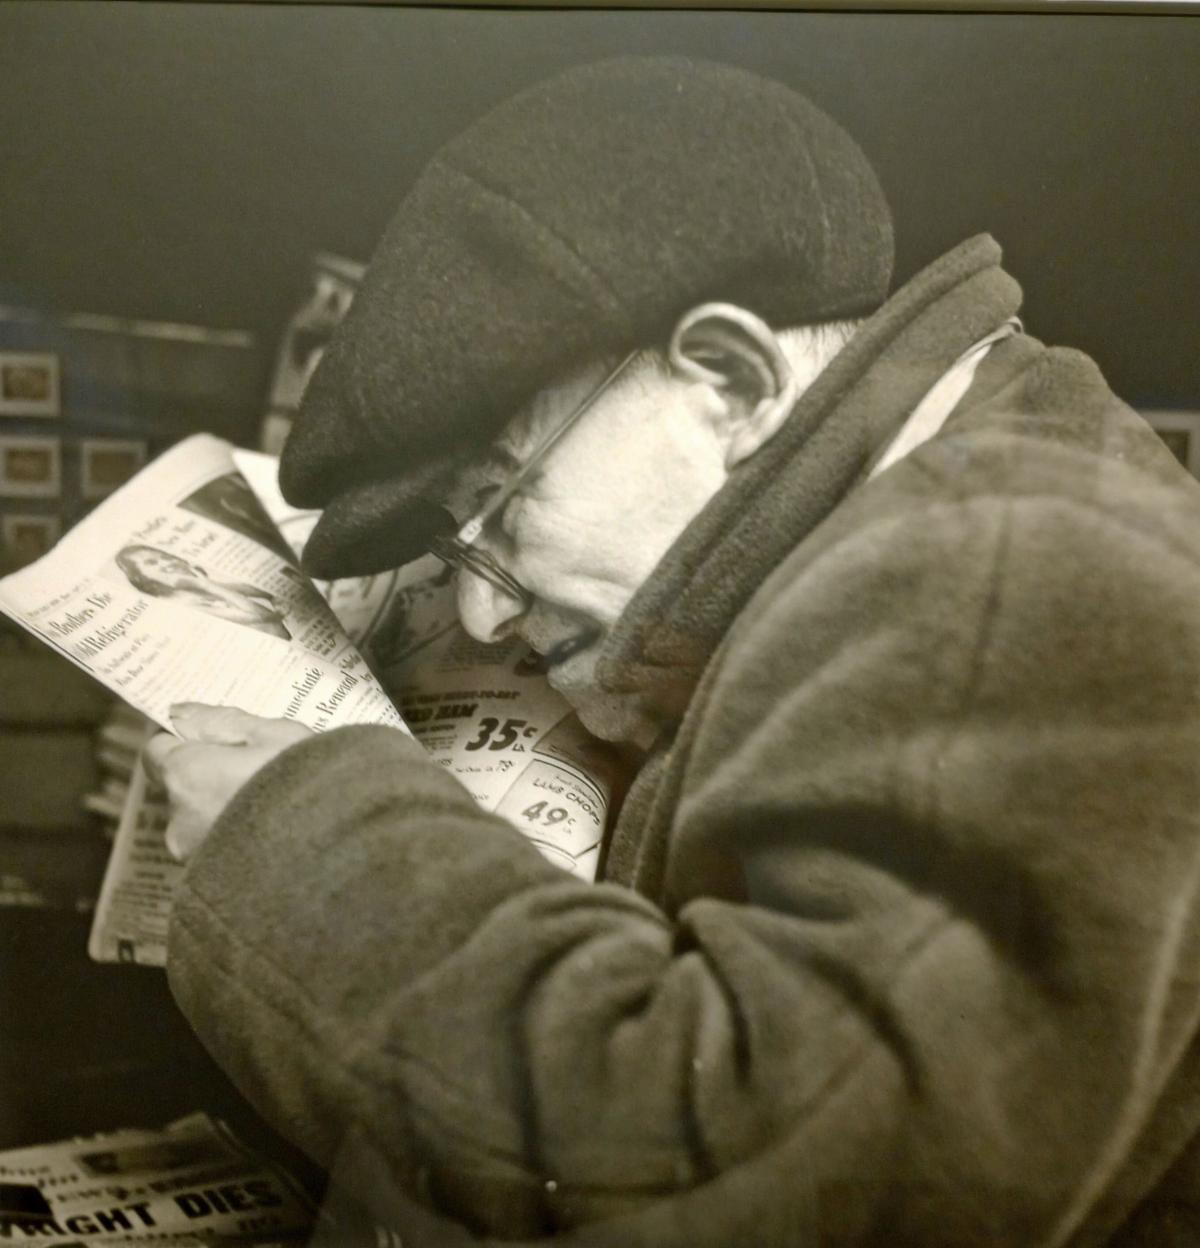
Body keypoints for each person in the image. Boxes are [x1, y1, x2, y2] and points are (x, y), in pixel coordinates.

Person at [146, 57, 1200, 1247]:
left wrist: (300, 842)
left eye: (500, 499)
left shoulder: (1014, 568)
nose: (484, 617)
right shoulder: (928, 514)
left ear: (730, 385)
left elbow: (764, 1170)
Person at [115, 544, 292, 640]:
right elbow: (265, 617)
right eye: (151, 563)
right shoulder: (181, 604)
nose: (167, 563)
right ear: (140, 576)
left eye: (165, 557)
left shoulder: (187, 587)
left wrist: (271, 596)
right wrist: (205, 585)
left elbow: (241, 588)